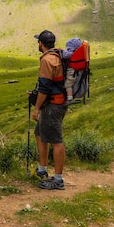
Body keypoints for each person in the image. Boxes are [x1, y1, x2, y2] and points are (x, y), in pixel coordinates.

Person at [31, 30, 68, 190]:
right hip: (56, 102)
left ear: (41, 43)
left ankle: (58, 179)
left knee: (56, 141)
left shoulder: (47, 60)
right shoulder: (58, 55)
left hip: (53, 106)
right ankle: (42, 169)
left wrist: (36, 108)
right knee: (39, 133)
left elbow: (45, 87)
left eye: (38, 42)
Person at [61, 37, 82, 103]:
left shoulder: (72, 52)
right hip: (77, 70)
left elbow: (65, 55)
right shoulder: (78, 52)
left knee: (68, 84)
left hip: (71, 71)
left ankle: (69, 98)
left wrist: (62, 50)